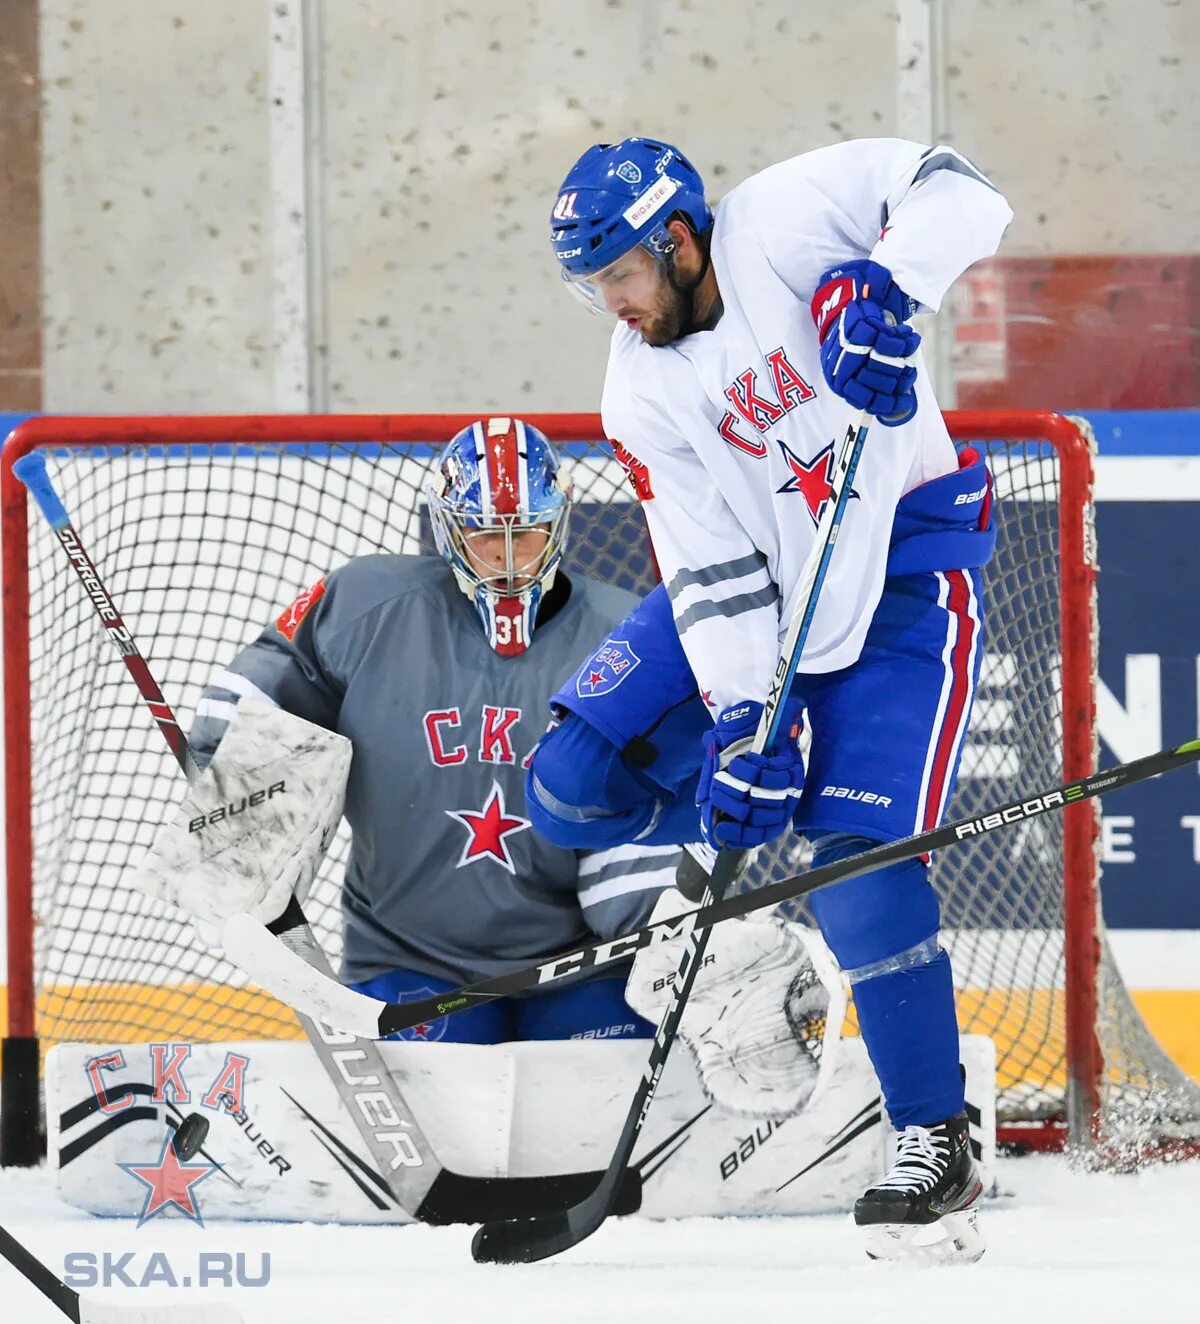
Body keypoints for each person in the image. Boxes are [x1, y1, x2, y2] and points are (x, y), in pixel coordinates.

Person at [530, 136, 1012, 1262]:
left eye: (621, 275)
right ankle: (715, 868)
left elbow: (962, 191)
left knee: (854, 857)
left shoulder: (788, 220)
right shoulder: (637, 385)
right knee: (570, 778)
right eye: (591, 285)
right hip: (766, 587)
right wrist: (750, 720)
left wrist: (889, 287)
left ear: (679, 239)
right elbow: (708, 573)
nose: (611, 304)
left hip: (899, 572)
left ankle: (935, 1137)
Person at [187, 417, 682, 1044]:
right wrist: (228, 767)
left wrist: (670, 934)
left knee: (592, 1119)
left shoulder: (621, 633)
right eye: (483, 536)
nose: (506, 561)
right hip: (407, 964)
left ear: (558, 524)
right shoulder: (367, 606)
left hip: (582, 967)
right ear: (449, 529)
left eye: (525, 535)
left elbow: (656, 803)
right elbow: (271, 684)